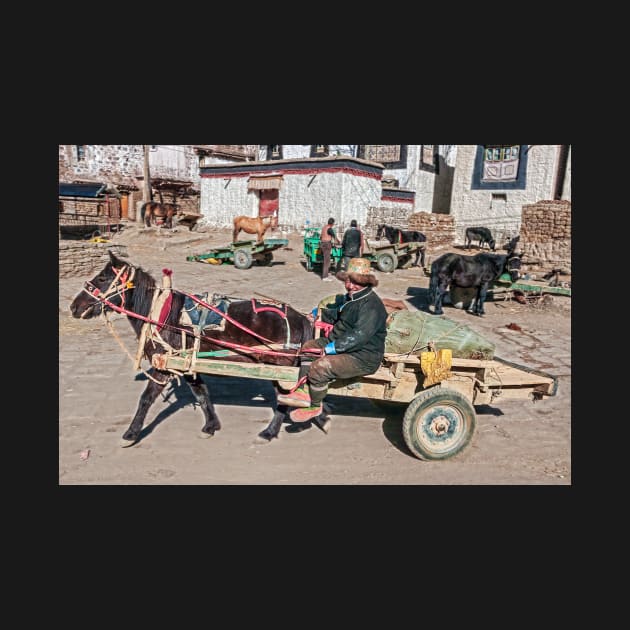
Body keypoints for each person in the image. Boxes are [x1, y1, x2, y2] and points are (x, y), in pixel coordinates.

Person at [277, 257, 388, 426]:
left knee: (320, 367)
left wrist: (331, 348)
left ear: (366, 282)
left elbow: (359, 335)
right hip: (341, 343)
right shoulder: (352, 298)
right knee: (307, 348)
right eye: (347, 281)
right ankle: (302, 392)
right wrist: (318, 313)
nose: (349, 286)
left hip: (363, 356)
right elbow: (338, 314)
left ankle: (314, 406)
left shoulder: (371, 306)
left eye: (355, 282)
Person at [319, 217, 340, 281]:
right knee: (327, 261)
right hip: (327, 244)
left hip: (322, 244)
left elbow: (321, 236)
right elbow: (334, 237)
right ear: (332, 224)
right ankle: (325, 277)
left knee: (326, 260)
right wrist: (339, 242)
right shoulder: (330, 229)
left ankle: (325, 274)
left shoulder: (324, 227)